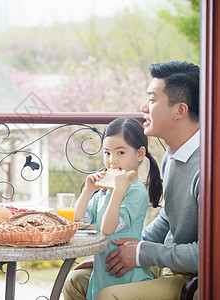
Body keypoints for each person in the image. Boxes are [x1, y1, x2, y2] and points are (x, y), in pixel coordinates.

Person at [64, 61, 200, 299]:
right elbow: (168, 219)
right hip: (165, 262)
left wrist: (141, 254)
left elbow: (209, 254)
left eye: (152, 100)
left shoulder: (208, 168)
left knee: (109, 295)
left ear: (179, 111)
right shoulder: (173, 155)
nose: (143, 107)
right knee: (76, 281)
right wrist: (119, 251)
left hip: (190, 276)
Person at [71, 117, 162, 299]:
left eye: (120, 153)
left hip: (127, 277)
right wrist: (88, 191)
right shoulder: (105, 191)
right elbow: (79, 218)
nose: (112, 161)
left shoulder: (137, 193)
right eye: (107, 153)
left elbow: (108, 228)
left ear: (139, 154)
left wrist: (118, 193)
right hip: (103, 274)